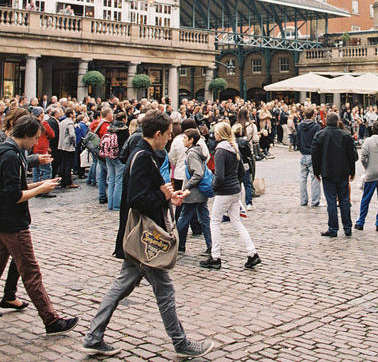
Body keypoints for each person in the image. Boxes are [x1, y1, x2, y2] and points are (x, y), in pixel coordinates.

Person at [82, 109, 215, 358]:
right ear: (157, 134)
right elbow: (138, 198)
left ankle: (94, 335)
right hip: (146, 237)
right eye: (166, 135)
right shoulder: (143, 157)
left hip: (138, 237)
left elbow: (145, 191)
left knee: (121, 286)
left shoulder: (143, 153)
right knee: (164, 290)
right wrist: (163, 195)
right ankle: (180, 342)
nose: (168, 139)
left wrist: (168, 195)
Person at [0, 115, 76, 344]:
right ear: (26, 134)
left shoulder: (0, 149)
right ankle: (51, 319)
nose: (34, 142)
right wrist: (39, 189)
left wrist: (40, 185)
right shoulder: (11, 156)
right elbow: (13, 195)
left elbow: (13, 186)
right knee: (30, 272)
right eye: (34, 138)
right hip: (12, 223)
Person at [201, 121, 260, 270]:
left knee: (214, 222)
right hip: (234, 190)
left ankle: (215, 256)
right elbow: (241, 171)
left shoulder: (221, 150)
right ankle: (252, 252)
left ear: (220, 134)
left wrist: (214, 187)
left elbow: (219, 176)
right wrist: (235, 183)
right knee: (237, 223)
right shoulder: (234, 148)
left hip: (224, 192)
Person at [312, 112, 358, 238]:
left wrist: (316, 172)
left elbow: (315, 156)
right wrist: (352, 172)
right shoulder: (346, 135)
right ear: (338, 122)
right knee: (344, 201)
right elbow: (352, 157)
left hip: (327, 172)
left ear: (326, 121)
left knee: (331, 201)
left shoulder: (320, 135)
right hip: (343, 172)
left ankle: (333, 228)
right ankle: (347, 228)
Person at [176, 128, 211, 256]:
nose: (183, 140)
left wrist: (187, 187)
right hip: (200, 192)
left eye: (185, 138)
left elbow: (198, 173)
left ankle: (176, 244)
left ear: (191, 140)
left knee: (183, 219)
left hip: (193, 193)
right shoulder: (197, 151)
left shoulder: (192, 154)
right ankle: (210, 245)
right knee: (204, 219)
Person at [296, 107, 321, 208]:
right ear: (313, 115)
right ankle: (315, 201)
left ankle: (303, 200)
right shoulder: (316, 126)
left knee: (302, 178)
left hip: (303, 154)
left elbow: (297, 138)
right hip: (313, 155)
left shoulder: (300, 126)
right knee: (315, 178)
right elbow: (318, 141)